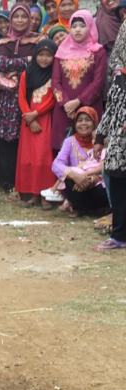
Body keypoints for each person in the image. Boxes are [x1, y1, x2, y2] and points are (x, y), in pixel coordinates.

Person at [0, 4, 40, 195]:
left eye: (24, 17)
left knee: (28, 138)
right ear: (11, 20)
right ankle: (8, 180)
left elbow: (40, 63)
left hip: (31, 95)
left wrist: (18, 67)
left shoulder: (38, 40)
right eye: (16, 17)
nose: (20, 20)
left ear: (30, 19)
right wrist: (26, 60)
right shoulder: (3, 42)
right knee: (8, 139)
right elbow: (1, 63)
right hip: (8, 98)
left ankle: (27, 181)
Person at [50, 10, 107, 153]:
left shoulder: (98, 52)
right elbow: (55, 82)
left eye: (82, 26)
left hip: (90, 109)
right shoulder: (61, 52)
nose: (77, 30)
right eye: (74, 26)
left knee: (91, 152)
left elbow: (98, 82)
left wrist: (77, 102)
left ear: (90, 27)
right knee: (63, 153)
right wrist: (66, 105)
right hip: (64, 111)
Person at [16, 39, 58, 208]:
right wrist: (29, 117)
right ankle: (32, 194)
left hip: (45, 120)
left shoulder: (54, 75)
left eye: (48, 55)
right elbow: (21, 96)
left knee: (44, 157)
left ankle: (45, 195)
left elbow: (52, 98)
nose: (44, 58)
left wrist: (35, 114)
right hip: (28, 122)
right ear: (35, 55)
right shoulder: (27, 73)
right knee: (29, 157)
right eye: (41, 54)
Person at [93, 44, 126, 249]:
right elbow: (111, 109)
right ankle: (119, 236)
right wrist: (99, 137)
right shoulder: (118, 77)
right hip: (117, 146)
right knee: (117, 190)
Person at [51, 107, 109, 216]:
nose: (83, 123)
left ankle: (100, 210)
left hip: (98, 182)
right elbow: (56, 164)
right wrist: (74, 176)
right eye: (80, 120)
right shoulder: (69, 142)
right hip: (78, 184)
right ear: (75, 124)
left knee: (103, 188)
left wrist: (93, 179)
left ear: (95, 123)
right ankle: (80, 209)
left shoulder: (102, 142)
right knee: (68, 181)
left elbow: (106, 166)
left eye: (88, 120)